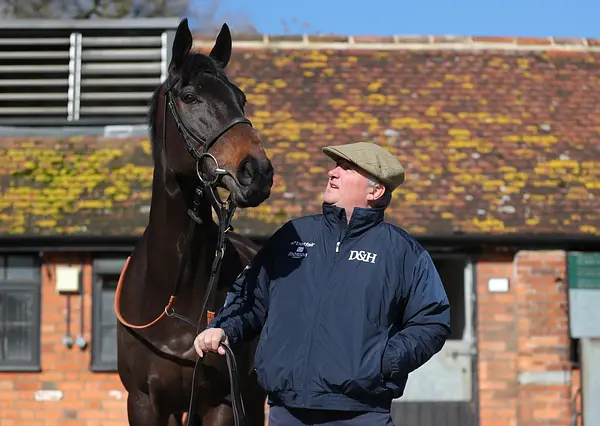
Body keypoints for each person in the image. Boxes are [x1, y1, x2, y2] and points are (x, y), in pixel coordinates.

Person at [194, 141, 451, 425]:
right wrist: (224, 328)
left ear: (375, 191)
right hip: (286, 412)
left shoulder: (402, 252)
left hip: (361, 415)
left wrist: (382, 362)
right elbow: (251, 297)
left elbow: (432, 321)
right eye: (335, 165)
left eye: (347, 168)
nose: (332, 172)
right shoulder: (293, 235)